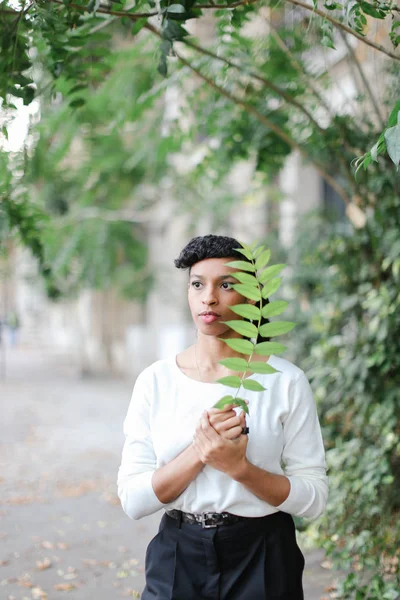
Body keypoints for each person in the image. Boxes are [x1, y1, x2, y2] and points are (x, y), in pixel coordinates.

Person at [117, 234, 328, 600]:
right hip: (178, 554)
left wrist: (238, 468)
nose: (209, 297)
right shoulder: (156, 381)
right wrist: (200, 452)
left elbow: (314, 498)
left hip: (263, 554)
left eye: (226, 285)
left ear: (251, 297)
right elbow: (134, 500)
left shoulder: (285, 381)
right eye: (198, 284)